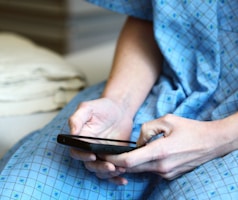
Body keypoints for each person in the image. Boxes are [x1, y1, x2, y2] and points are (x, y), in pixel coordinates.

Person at [1, 0, 238, 199]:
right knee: (21, 190)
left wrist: (217, 138)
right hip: (156, 85)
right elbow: (148, 14)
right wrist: (119, 103)